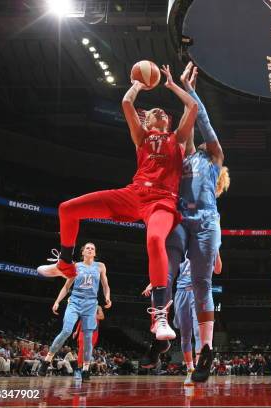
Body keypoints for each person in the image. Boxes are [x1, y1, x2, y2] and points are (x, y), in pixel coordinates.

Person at [36, 64, 198, 342]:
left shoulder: (177, 139)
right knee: (67, 208)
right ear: (146, 121)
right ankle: (65, 264)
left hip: (162, 202)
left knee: (155, 240)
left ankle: (159, 314)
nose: (159, 111)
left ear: (169, 122)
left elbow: (192, 107)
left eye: (163, 112)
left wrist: (171, 84)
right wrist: (139, 83)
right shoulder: (141, 138)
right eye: (153, 112)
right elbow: (126, 102)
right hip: (133, 194)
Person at [162, 61, 230, 382]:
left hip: (205, 221)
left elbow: (202, 120)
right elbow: (189, 122)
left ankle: (206, 350)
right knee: (167, 267)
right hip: (181, 217)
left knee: (202, 284)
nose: (200, 139)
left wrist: (190, 90)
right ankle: (158, 323)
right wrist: (181, 90)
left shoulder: (214, 157)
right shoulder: (187, 154)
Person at [141, 253, 222, 385]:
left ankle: (199, 369)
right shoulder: (183, 244)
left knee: (199, 333)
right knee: (185, 335)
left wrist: (216, 250)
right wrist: (153, 282)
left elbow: (218, 270)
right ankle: (190, 370)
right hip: (181, 293)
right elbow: (169, 267)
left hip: (201, 292)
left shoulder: (208, 242)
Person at [39, 243, 111, 381]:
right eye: (87, 248)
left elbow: (105, 285)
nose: (90, 249)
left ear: (95, 253)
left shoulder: (100, 266)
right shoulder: (76, 266)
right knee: (66, 330)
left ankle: (85, 369)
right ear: (83, 252)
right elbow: (66, 286)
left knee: (88, 338)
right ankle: (47, 361)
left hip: (91, 304)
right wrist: (57, 301)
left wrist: (107, 297)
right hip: (75, 301)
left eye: (93, 248)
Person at [72, 305, 105, 380]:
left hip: (93, 331)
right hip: (83, 330)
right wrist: (76, 331)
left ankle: (85, 370)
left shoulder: (98, 307)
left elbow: (101, 317)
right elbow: (81, 320)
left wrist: (95, 312)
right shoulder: (85, 305)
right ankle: (78, 370)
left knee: (88, 351)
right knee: (81, 349)